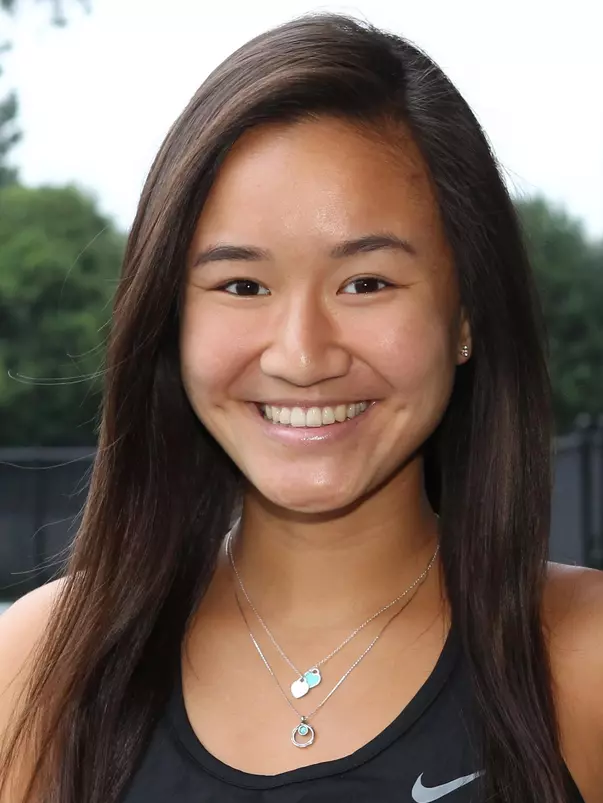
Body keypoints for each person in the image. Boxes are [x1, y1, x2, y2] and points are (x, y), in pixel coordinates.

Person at [0, 13, 601, 803]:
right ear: (170, 319)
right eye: (242, 285)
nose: (302, 354)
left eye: (366, 283)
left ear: (464, 315)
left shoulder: (582, 659)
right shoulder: (40, 666)